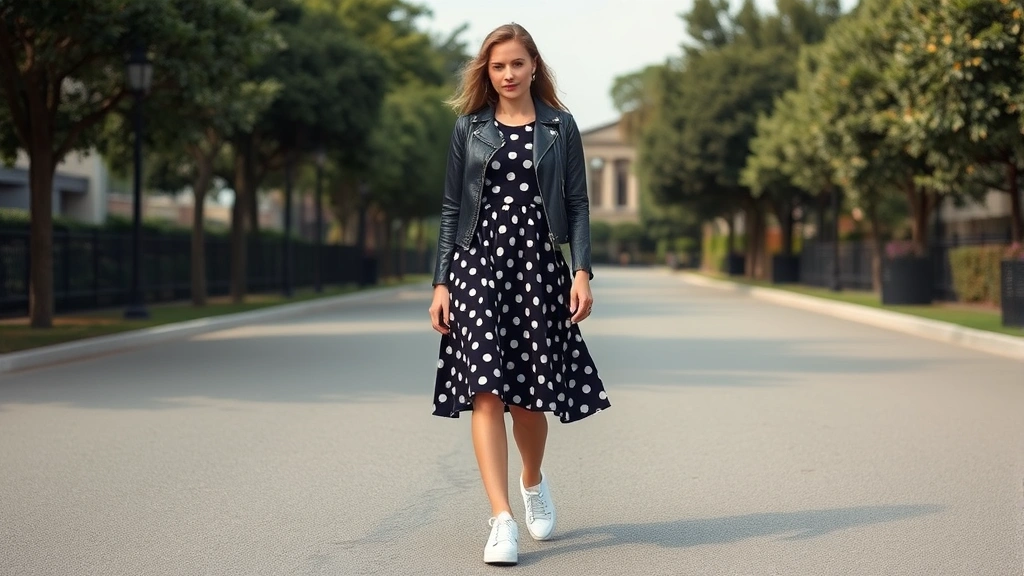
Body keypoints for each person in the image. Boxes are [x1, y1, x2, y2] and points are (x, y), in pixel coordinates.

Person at [427, 22, 611, 566]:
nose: (508, 74)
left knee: (528, 402)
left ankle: (532, 480)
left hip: (536, 267)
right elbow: (450, 210)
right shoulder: (469, 129)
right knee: (486, 392)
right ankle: (501, 518)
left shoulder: (560, 127)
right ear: (487, 71)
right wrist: (441, 281)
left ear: (534, 67)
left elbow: (577, 204)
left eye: (517, 64)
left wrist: (581, 272)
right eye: (497, 65)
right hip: (477, 266)